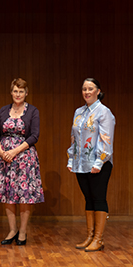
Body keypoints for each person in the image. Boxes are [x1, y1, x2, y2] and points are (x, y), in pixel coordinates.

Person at [0, 78, 44, 246]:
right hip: (4, 158)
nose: (18, 94)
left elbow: (34, 135)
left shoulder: (33, 111)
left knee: (24, 196)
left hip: (24, 159)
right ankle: (12, 229)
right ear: (11, 92)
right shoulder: (3, 110)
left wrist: (14, 151)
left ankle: (22, 231)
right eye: (15, 91)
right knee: (8, 195)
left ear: (26, 93)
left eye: (21, 91)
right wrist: (2, 152)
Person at [67, 78, 115, 252]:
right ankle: (89, 236)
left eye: (90, 89)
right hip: (81, 163)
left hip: (99, 163)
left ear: (98, 91)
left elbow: (106, 139)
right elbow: (74, 137)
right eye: (84, 89)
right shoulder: (79, 112)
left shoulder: (104, 112)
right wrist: (71, 158)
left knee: (99, 198)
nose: (87, 92)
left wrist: (99, 162)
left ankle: (99, 239)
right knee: (88, 198)